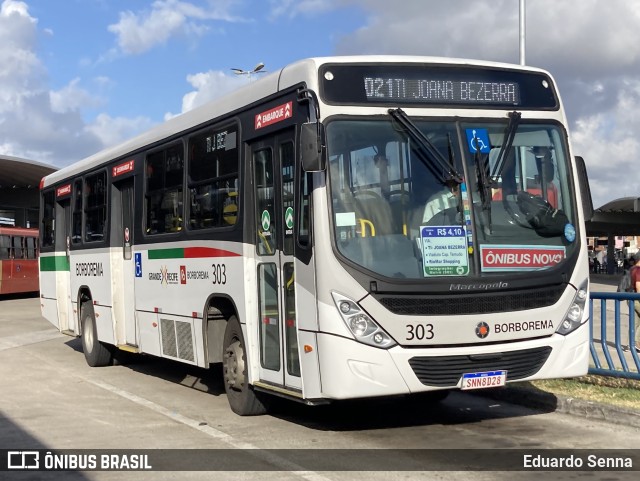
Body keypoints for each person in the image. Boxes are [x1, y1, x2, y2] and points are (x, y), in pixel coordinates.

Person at [630, 256, 640, 353]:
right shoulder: (638, 270)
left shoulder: (632, 269)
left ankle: (630, 344)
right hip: (637, 298)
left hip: (630, 297)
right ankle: (637, 343)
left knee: (635, 322)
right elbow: (638, 286)